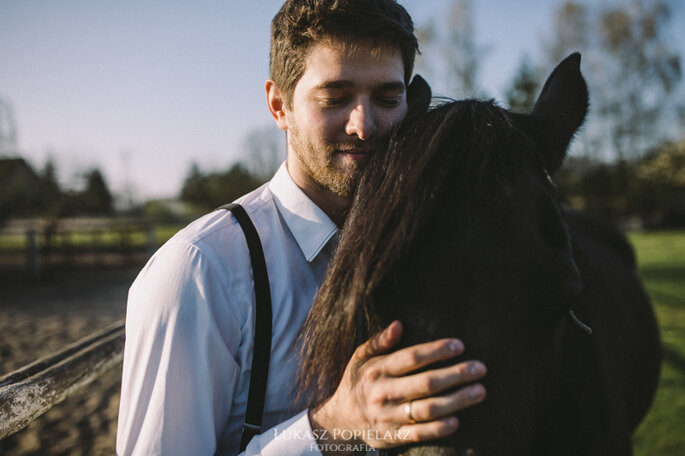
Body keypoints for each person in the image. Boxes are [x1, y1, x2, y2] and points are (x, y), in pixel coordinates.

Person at [116, 1, 487, 455]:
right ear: (279, 105)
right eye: (335, 98)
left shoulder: (426, 246)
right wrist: (332, 428)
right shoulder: (200, 272)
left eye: (388, 99)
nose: (365, 126)